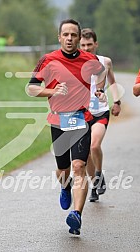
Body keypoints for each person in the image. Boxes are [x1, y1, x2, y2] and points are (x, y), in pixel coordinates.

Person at [26, 19, 106, 235]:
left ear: (79, 38)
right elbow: (31, 89)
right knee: (63, 170)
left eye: (73, 35)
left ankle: (76, 215)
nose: (70, 38)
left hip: (82, 119)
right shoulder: (48, 60)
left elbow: (101, 72)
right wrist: (52, 92)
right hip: (59, 121)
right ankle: (64, 186)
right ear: (59, 37)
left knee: (79, 166)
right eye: (66, 35)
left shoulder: (90, 59)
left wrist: (99, 90)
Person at [80, 28, 121, 202]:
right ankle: (95, 185)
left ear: (96, 44)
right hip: (81, 112)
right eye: (83, 45)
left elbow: (112, 82)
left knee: (94, 146)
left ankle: (98, 173)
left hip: (100, 111)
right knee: (86, 155)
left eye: (89, 44)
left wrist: (117, 102)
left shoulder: (105, 62)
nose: (87, 48)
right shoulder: (74, 63)